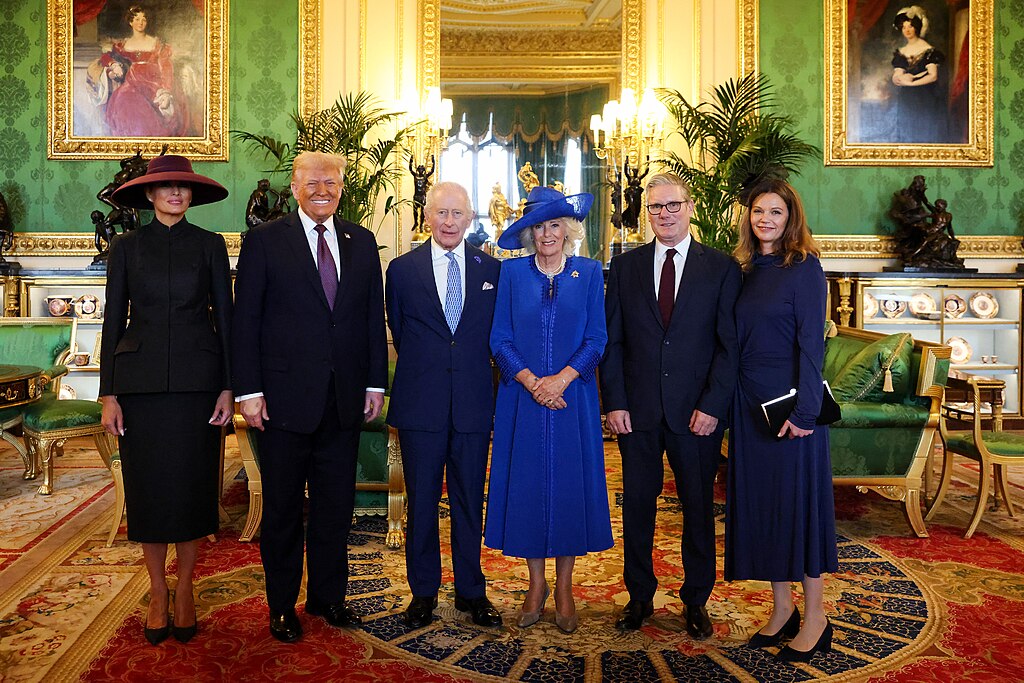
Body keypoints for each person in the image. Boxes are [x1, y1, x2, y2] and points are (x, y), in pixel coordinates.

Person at [232, 151, 389, 643]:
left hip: (343, 400)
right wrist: (250, 392)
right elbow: (246, 322)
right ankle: (282, 606)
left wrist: (374, 384)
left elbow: (369, 319)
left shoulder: (361, 242)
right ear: (295, 186)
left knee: (334, 508)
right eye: (313, 181)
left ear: (342, 187)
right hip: (281, 401)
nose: (323, 189)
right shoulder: (264, 241)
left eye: (333, 182)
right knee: (281, 509)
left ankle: (328, 598)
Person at [99, 155, 232, 646]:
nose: (175, 194)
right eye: (165, 187)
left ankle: (185, 590)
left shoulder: (211, 246)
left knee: (193, 490)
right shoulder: (126, 248)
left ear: (192, 195)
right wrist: (108, 392)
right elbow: (114, 320)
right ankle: (158, 590)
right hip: (140, 386)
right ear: (150, 196)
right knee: (151, 492)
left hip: (200, 384)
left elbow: (227, 319)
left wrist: (228, 385)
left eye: (183, 187)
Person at [600, 172, 740, 639]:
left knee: (698, 509)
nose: (664, 214)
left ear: (690, 207)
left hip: (697, 415)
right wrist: (614, 402)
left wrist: (713, 406)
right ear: (647, 213)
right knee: (637, 506)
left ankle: (696, 599)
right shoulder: (625, 267)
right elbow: (612, 341)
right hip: (636, 413)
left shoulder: (720, 268)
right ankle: (639, 597)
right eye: (656, 208)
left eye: (672, 205)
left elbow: (728, 347)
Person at [485, 186, 612, 634]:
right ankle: (535, 585)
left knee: (568, 488)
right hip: (522, 399)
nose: (546, 234)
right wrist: (531, 381)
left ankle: (564, 586)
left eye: (555, 224)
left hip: (571, 398)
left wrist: (560, 379)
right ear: (529, 234)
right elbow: (499, 339)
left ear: (570, 229)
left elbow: (597, 338)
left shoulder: (590, 273)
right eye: (538, 226)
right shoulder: (513, 275)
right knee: (528, 488)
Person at [725, 178, 838, 663]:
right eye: (758, 211)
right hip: (750, 410)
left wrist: (806, 412)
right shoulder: (745, 269)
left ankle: (817, 617)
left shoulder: (805, 267)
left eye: (776, 211)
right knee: (766, 509)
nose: (765, 219)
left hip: (793, 409)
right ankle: (782, 608)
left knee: (799, 511)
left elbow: (813, 344)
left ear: (791, 217)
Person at [385, 182, 503, 630]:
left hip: (473, 405)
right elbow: (400, 330)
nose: (449, 222)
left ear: (470, 219)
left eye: (457, 213)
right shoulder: (401, 270)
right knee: (421, 503)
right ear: (427, 216)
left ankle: (472, 591)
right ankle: (423, 593)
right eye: (441, 213)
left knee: (470, 501)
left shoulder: (492, 270)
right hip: (421, 406)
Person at [87, 6, 195, 137]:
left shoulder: (156, 44)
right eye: (137, 19)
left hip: (153, 83)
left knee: (153, 113)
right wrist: (114, 64)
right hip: (132, 82)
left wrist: (165, 91)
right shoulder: (124, 44)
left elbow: (166, 67)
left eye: (144, 19)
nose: (141, 22)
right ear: (131, 22)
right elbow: (106, 57)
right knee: (123, 99)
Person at [891, 6, 947, 143]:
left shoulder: (928, 50)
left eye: (910, 26)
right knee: (907, 129)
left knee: (924, 129)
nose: (907, 30)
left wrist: (912, 82)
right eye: (904, 27)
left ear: (917, 27)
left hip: (926, 96)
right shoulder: (901, 51)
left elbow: (933, 75)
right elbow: (898, 73)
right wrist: (897, 78)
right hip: (907, 98)